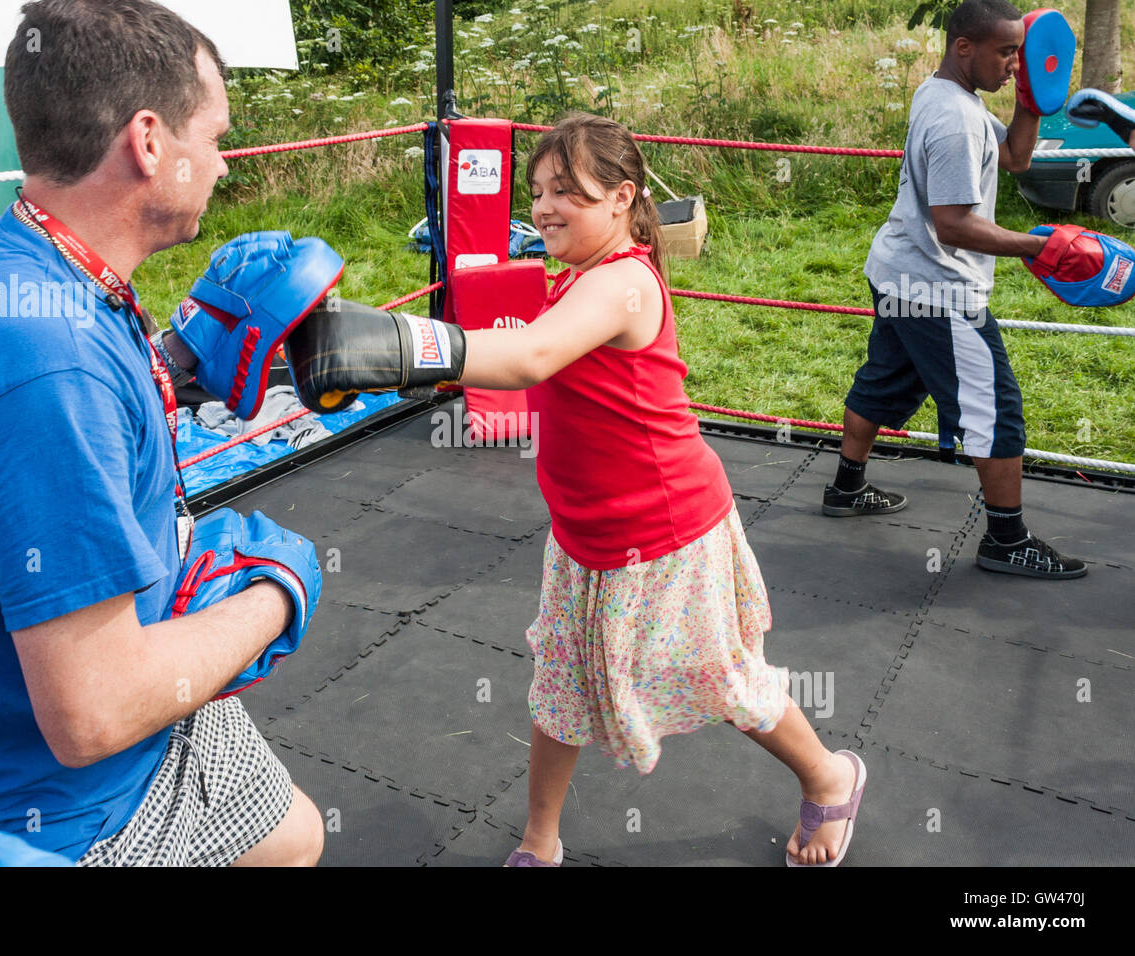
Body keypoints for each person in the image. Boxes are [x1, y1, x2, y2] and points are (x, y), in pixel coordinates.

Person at [286, 112, 868, 867]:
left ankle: (830, 776)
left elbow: (531, 356)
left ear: (623, 197)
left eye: (568, 191)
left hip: (667, 531)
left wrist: (400, 346)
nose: (545, 206)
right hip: (586, 537)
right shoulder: (579, 277)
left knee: (725, 680)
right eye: (537, 191)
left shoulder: (624, 283)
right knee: (558, 688)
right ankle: (540, 839)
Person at [0, 0, 326, 866]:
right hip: (35, 810)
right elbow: (93, 716)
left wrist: (172, 369)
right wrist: (281, 585)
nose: (224, 162)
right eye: (214, 136)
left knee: (293, 833)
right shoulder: (48, 367)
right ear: (150, 142)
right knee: (296, 841)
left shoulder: (15, 263)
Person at [822, 0, 1086, 579]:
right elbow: (954, 224)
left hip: (898, 272)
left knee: (883, 380)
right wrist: (1038, 246)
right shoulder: (955, 120)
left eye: (1019, 54)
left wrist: (1030, 102)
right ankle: (1006, 540)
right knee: (996, 409)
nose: (1014, 65)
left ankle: (845, 488)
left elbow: (1015, 158)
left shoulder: (942, 93)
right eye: (1006, 53)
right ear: (963, 46)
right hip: (938, 292)